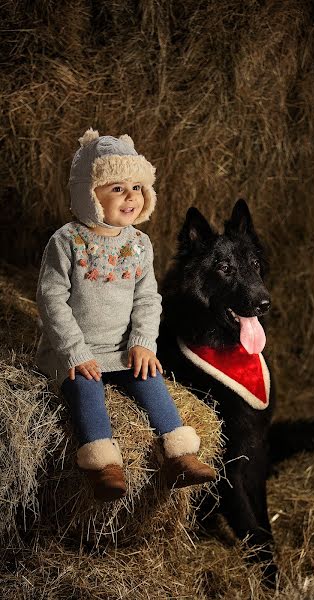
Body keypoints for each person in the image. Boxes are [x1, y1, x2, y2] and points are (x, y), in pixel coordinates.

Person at [35, 128, 216, 501]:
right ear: (88, 193)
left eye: (136, 187)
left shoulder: (138, 244)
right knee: (86, 390)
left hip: (121, 348)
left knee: (151, 382)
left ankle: (179, 455)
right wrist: (75, 352)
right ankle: (104, 465)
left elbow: (147, 299)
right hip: (77, 350)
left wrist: (143, 343)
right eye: (116, 187)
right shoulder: (67, 241)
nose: (130, 196)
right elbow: (51, 300)